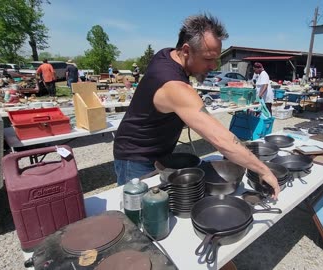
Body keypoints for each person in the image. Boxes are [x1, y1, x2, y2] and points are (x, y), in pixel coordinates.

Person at [113, 13, 280, 199]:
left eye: (216, 59)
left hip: (157, 151)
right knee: (142, 212)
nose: (213, 66)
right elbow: (220, 138)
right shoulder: (173, 85)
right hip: (136, 156)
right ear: (186, 50)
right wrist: (263, 170)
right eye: (208, 59)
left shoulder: (168, 54)